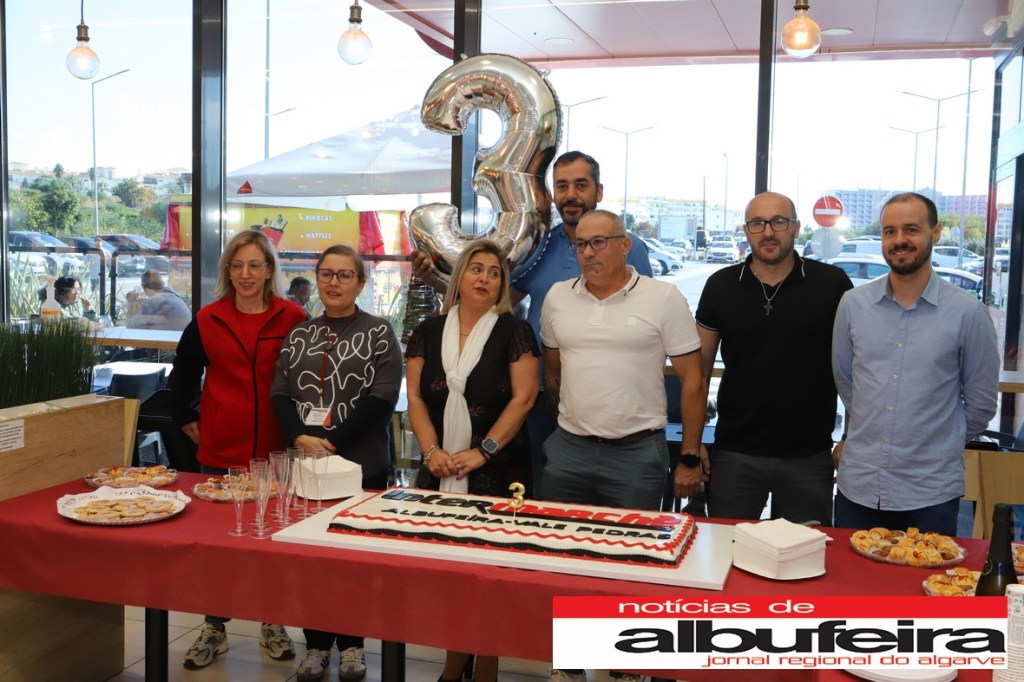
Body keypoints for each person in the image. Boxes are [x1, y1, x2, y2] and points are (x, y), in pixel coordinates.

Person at [411, 151, 654, 487]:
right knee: (544, 491)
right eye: (562, 186)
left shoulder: (629, 249)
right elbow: (494, 301)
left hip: (604, 400)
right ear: (552, 195)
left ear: (599, 191)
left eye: (581, 185)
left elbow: (644, 316)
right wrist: (438, 280)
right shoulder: (538, 245)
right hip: (541, 393)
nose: (571, 195)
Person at [540, 210, 703, 682]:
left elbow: (694, 381)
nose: (588, 253)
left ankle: (625, 667)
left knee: (632, 566)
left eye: (599, 243)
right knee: (564, 563)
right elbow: (553, 373)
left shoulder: (663, 297)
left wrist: (689, 456)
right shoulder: (557, 297)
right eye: (581, 245)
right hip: (569, 450)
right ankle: (569, 666)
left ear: (625, 245)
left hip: (636, 455)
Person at [168, 229, 306, 670]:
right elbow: (183, 374)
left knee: (274, 542)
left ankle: (273, 621)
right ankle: (214, 626)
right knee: (217, 546)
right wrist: (187, 416)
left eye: (254, 265)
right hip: (220, 448)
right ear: (227, 271)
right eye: (237, 265)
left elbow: (308, 377)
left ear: (269, 270)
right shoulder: (208, 319)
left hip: (276, 451)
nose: (245, 274)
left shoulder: (293, 317)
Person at [406, 238, 539, 682]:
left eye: (494, 272)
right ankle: (454, 662)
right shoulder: (427, 331)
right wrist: (431, 452)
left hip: (499, 473)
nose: (485, 278)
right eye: (476, 269)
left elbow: (524, 399)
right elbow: (415, 398)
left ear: (502, 284)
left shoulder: (515, 332)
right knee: (450, 575)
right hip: (439, 468)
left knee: (491, 576)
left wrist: (483, 453)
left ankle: (487, 667)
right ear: (459, 276)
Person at [832, 192, 999, 535]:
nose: (899, 240)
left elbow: (981, 403)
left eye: (911, 229)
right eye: (889, 231)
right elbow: (847, 382)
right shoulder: (852, 305)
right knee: (850, 572)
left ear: (935, 233)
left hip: (930, 493)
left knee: (927, 572)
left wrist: (938, 441)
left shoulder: (968, 313)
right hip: (859, 487)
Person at [271, 245, 403, 682]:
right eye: (327, 274)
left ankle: (351, 645)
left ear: (361, 283)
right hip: (307, 466)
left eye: (345, 275)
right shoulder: (300, 334)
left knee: (353, 559)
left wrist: (330, 442)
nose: (334, 282)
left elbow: (382, 397)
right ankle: (315, 644)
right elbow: (280, 391)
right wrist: (299, 436)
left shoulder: (380, 332)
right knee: (311, 561)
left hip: (361, 464)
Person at [695, 192, 853, 524]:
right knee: (729, 547)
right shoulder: (721, 285)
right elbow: (699, 374)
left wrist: (848, 439)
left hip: (809, 456)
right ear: (746, 230)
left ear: (796, 228)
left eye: (778, 222)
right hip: (735, 454)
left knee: (808, 551)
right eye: (757, 223)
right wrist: (692, 444)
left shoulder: (832, 285)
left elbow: (857, 371)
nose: (768, 232)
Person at [125, 269, 192, 330]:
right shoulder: (175, 297)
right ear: (163, 283)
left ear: (143, 286)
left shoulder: (152, 302)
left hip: (170, 339)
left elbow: (130, 327)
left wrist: (130, 303)